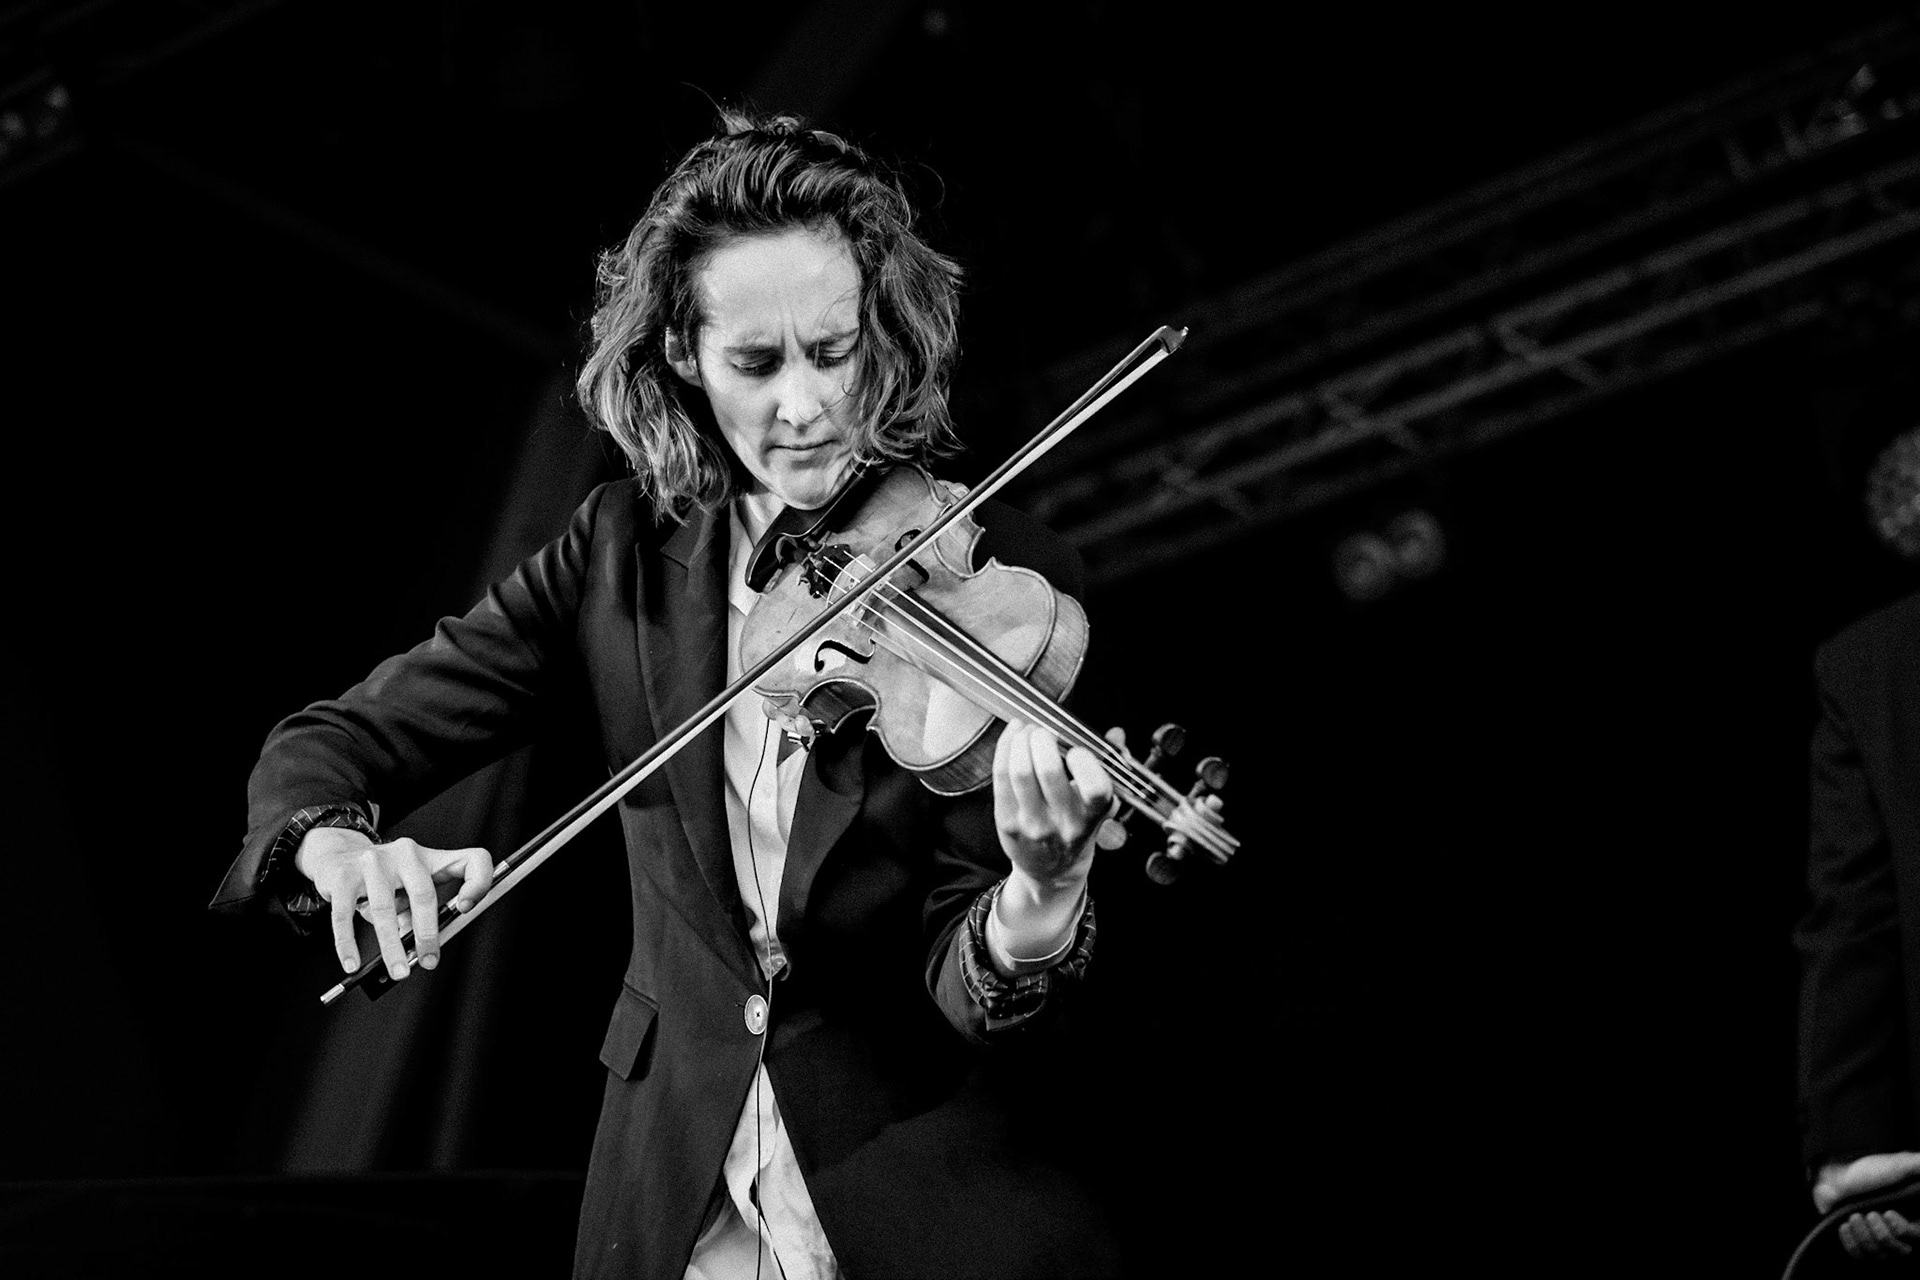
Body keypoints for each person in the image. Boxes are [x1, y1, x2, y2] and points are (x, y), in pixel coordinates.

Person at [213, 110, 1139, 1279]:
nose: (805, 407)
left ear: (885, 337)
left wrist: (1040, 896)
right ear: (685, 357)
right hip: (670, 1210)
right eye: (757, 363)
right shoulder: (621, 553)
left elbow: (967, 985)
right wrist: (337, 854)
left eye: (835, 350)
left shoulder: (997, 576)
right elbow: (335, 741)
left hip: (922, 1207)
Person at [1797, 425, 1920, 1263]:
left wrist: (1857, 1142)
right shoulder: (1868, 667)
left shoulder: (1874, 663)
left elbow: (1854, 918)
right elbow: (1855, 914)